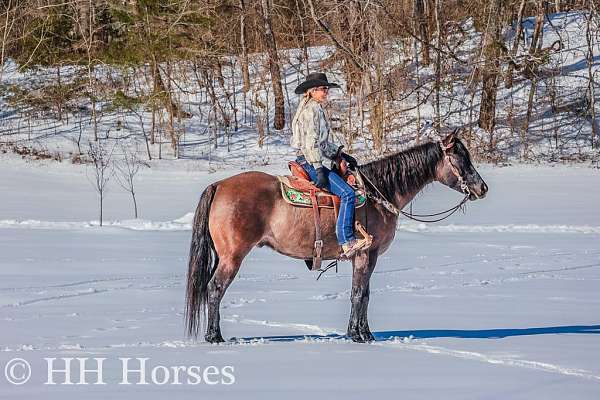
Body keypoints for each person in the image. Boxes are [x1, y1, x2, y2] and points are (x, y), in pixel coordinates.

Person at [291, 72, 369, 258]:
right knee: (348, 194)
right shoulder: (313, 111)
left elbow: (322, 144)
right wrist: (318, 168)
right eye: (322, 89)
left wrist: (340, 154)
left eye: (326, 89)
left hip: (309, 158)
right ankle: (346, 240)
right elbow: (311, 143)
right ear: (311, 91)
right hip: (310, 161)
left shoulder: (310, 108)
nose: (326, 92)